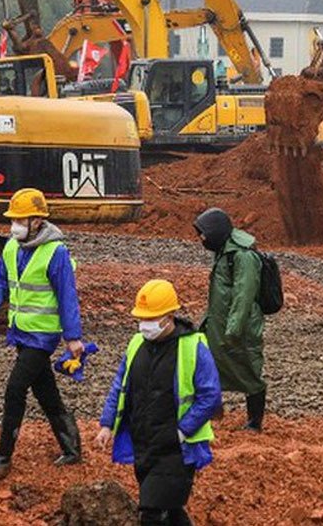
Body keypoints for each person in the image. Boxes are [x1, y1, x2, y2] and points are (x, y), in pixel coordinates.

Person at [0, 188, 84, 481]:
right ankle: (71, 447)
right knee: (46, 391)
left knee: (15, 388)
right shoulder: (11, 247)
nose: (15, 225)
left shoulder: (55, 252)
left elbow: (67, 296)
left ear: (37, 221)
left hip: (42, 337)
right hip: (21, 333)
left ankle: (3, 456)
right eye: (14, 219)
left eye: (21, 219)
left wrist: (73, 337)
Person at [97, 280, 220, 526]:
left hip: (175, 449)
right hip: (145, 443)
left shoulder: (192, 346)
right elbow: (120, 386)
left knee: (151, 512)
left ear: (169, 316)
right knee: (172, 510)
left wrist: (183, 431)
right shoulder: (136, 344)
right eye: (142, 318)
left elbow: (211, 396)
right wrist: (107, 424)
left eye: (151, 318)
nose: (145, 325)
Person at [192, 208, 266, 430]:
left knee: (248, 371)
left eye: (204, 234)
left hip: (239, 328)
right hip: (218, 324)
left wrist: (233, 330)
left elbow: (244, 295)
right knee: (208, 366)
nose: (202, 239)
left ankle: (255, 422)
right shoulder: (225, 250)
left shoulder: (243, 255)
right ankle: (213, 411)